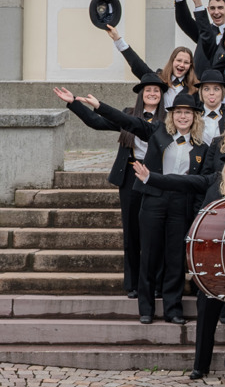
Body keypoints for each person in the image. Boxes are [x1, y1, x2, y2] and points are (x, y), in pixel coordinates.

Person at [130, 140, 225, 381]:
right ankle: (200, 365)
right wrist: (151, 178)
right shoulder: (214, 184)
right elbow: (182, 182)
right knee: (207, 314)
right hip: (213, 262)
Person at [89, 91, 209, 324]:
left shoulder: (201, 146)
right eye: (178, 113)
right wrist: (99, 105)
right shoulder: (156, 132)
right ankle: (146, 308)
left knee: (175, 258)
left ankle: (173, 309)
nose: (183, 117)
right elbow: (128, 122)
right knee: (149, 254)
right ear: (171, 115)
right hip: (154, 199)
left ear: (195, 117)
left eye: (188, 113)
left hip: (180, 203)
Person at [54, 74, 167, 299]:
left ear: (162, 95)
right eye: (148, 90)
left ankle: (156, 284)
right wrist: (73, 102)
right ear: (141, 95)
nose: (152, 93)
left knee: (155, 232)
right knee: (131, 231)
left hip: (156, 177)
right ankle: (133, 283)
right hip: (130, 175)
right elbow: (96, 122)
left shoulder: (169, 119)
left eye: (156, 90)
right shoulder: (127, 114)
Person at [104, 24, 198, 108]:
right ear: (172, 61)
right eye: (179, 60)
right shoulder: (158, 78)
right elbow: (137, 65)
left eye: (186, 62)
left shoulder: (194, 89)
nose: (181, 65)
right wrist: (118, 40)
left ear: (190, 66)